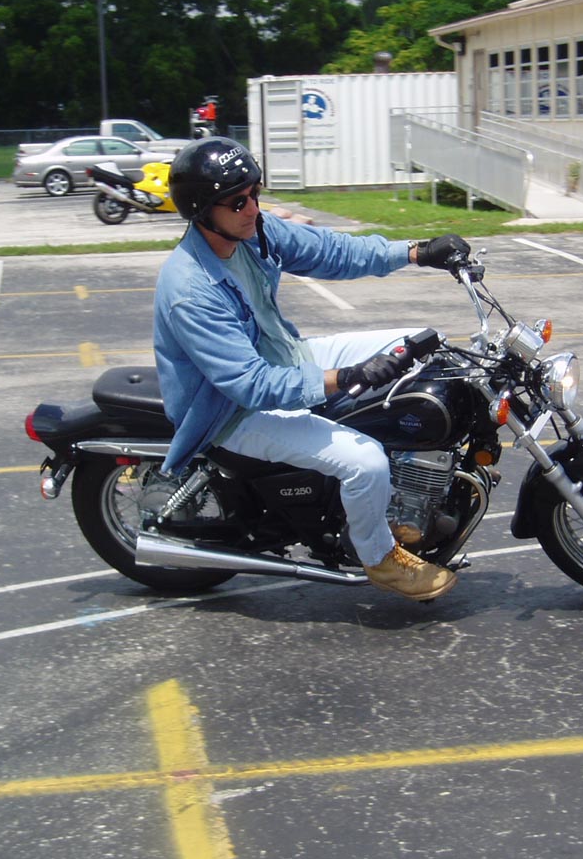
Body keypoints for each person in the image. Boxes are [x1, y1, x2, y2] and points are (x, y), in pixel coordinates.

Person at [153, 137, 470, 601]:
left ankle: (408, 494)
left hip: (287, 357)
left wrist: (417, 252)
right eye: (238, 201)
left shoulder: (253, 232)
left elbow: (332, 251)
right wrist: (347, 377)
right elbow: (249, 384)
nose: (252, 207)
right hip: (230, 411)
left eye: (255, 192)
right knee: (364, 462)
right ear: (202, 209)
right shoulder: (190, 289)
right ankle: (380, 558)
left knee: (423, 345)